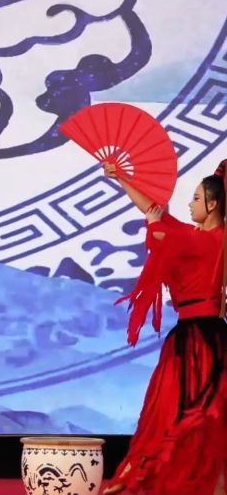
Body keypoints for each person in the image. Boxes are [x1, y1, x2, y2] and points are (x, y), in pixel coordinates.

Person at [101, 161, 227, 495]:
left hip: (196, 341)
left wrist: (154, 224)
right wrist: (122, 178)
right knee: (203, 417)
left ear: (213, 204)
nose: (190, 204)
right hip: (209, 336)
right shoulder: (210, 238)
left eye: (197, 198)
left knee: (177, 414)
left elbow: (161, 235)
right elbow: (153, 212)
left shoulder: (202, 241)